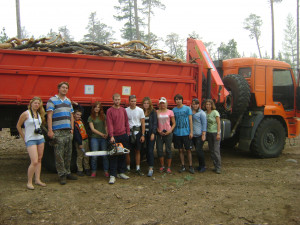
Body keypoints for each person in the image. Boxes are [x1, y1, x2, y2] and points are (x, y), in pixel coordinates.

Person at [46, 81, 77, 185]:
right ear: (58, 89)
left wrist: (72, 128)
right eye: (63, 87)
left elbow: (71, 115)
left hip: (68, 131)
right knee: (59, 155)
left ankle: (68, 172)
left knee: (68, 154)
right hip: (58, 132)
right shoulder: (52, 100)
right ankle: (62, 175)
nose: (65, 89)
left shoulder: (68, 101)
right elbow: (49, 116)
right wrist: (50, 130)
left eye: (66, 88)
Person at [16, 97, 47, 190]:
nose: (36, 105)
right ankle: (29, 182)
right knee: (34, 161)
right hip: (31, 139)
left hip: (40, 139)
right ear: (31, 104)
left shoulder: (39, 113)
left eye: (38, 103)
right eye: (35, 103)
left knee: (39, 159)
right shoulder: (26, 113)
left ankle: (37, 179)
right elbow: (18, 125)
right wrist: (24, 137)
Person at [106, 93, 130, 184]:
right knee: (113, 155)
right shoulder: (109, 111)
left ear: (121, 100)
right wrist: (111, 135)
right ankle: (112, 175)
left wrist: (127, 133)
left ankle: (121, 172)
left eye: (119, 99)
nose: (117, 101)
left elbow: (126, 122)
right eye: (115, 99)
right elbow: (109, 124)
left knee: (122, 155)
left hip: (123, 135)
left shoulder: (123, 110)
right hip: (114, 136)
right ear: (113, 100)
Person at [172, 94, 194, 174]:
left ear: (182, 100)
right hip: (177, 133)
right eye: (176, 99)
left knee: (188, 150)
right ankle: (183, 165)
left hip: (186, 133)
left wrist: (191, 132)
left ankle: (191, 166)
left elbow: (190, 120)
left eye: (179, 99)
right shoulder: (174, 110)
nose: (178, 101)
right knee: (180, 150)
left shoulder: (187, 109)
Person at [125, 95, 145, 175]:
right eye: (132, 101)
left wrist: (143, 135)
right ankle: (128, 168)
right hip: (129, 133)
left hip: (137, 132)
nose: (133, 103)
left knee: (137, 151)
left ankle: (138, 168)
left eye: (135, 101)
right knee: (127, 151)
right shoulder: (125, 110)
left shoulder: (140, 110)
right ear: (129, 101)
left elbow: (143, 123)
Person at [88, 101, 109, 178]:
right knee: (94, 156)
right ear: (93, 108)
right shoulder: (90, 117)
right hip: (95, 138)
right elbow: (92, 129)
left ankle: (106, 171)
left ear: (100, 108)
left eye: (98, 107)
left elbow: (106, 126)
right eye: (95, 107)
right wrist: (102, 134)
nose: (97, 109)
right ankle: (93, 171)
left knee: (105, 155)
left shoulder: (103, 116)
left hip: (103, 138)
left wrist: (107, 133)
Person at [156, 97, 175, 173]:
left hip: (168, 133)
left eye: (163, 103)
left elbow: (174, 123)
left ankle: (169, 167)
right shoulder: (156, 112)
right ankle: (162, 166)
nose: (162, 104)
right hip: (160, 134)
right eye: (161, 103)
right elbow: (155, 123)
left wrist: (170, 131)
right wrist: (158, 131)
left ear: (166, 103)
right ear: (159, 104)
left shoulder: (170, 112)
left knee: (168, 150)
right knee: (159, 150)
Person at [73, 104, 91, 177]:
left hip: (86, 140)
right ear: (74, 115)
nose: (79, 116)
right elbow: (77, 135)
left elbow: (82, 110)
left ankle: (87, 168)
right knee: (80, 156)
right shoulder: (74, 123)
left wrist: (77, 104)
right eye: (77, 115)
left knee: (86, 155)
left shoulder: (80, 120)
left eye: (80, 115)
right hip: (80, 142)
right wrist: (80, 143)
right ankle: (80, 170)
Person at [141, 97, 157, 177]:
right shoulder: (141, 111)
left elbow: (155, 123)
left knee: (150, 150)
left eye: (147, 103)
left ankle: (151, 168)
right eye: (144, 103)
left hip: (150, 134)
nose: (146, 105)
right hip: (144, 134)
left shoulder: (153, 112)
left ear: (150, 104)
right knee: (144, 150)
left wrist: (153, 133)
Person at [204, 99, 222, 174]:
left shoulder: (215, 112)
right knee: (211, 150)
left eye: (209, 104)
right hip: (209, 133)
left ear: (212, 105)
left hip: (215, 133)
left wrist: (218, 133)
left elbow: (218, 123)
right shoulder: (205, 113)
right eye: (207, 104)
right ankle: (215, 166)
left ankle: (218, 167)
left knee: (216, 151)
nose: (208, 106)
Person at [191, 98, 207, 172]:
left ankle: (203, 166)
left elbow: (204, 124)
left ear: (199, 105)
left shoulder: (202, 113)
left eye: (196, 104)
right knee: (197, 150)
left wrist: (203, 134)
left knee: (199, 150)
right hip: (193, 135)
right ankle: (200, 165)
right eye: (194, 104)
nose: (195, 105)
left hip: (200, 135)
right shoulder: (190, 112)